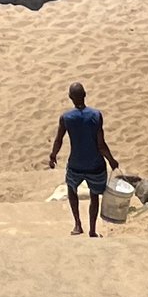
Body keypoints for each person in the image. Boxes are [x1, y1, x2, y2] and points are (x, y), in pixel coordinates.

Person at [47, 81, 116, 237]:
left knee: (72, 190)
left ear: (70, 97)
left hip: (76, 164)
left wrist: (53, 155)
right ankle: (92, 229)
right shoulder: (96, 115)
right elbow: (101, 144)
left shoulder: (66, 118)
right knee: (94, 195)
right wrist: (111, 160)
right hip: (96, 165)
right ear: (85, 95)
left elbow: (59, 140)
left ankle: (77, 224)